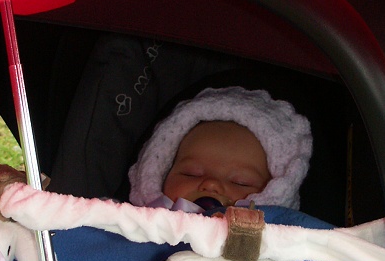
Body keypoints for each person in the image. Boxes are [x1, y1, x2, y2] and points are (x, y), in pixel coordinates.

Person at [127, 86, 312, 213]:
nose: (211, 184)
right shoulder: (128, 226)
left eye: (241, 183)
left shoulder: (285, 246)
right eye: (191, 173)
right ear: (161, 175)